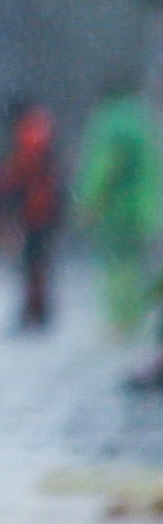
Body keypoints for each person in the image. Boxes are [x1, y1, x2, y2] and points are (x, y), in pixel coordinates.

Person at [72, 81, 162, 341]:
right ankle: (135, 317)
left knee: (115, 267)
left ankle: (119, 322)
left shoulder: (111, 123)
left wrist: (90, 201)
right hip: (141, 209)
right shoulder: (140, 120)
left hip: (116, 211)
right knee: (134, 267)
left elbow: (105, 166)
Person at [0, 99, 62, 332]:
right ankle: (37, 308)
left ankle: (35, 309)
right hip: (44, 207)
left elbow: (20, 171)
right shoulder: (40, 128)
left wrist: (3, 188)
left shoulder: (27, 134)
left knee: (32, 261)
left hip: (35, 208)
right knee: (37, 261)